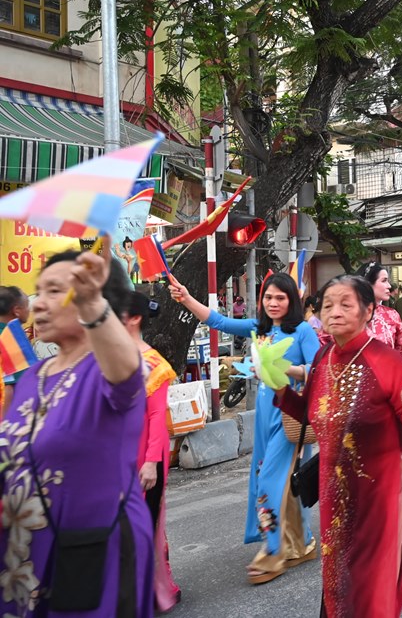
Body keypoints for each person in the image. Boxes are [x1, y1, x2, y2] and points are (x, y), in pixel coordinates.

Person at [0, 245, 154, 616]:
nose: (38, 303)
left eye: (55, 291)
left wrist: (92, 306)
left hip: (93, 553)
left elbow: (127, 371)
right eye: (40, 291)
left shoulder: (109, 370)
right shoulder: (33, 376)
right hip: (25, 555)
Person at [272, 275, 402, 618]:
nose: (334, 312)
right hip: (334, 491)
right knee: (337, 577)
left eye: (346, 304)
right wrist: (280, 389)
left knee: (371, 585)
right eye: (328, 305)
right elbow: (311, 414)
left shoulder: (388, 361)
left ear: (368, 310)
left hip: (380, 494)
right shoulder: (323, 358)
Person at [170, 274, 320, 584]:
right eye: (268, 297)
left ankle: (273, 550)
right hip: (264, 416)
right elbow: (219, 321)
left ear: (291, 300)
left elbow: (318, 370)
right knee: (283, 482)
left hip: (288, 415)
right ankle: (302, 542)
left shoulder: (303, 331)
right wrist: (186, 298)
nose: (273, 303)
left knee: (269, 481)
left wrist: (284, 369)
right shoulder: (259, 328)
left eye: (280, 298)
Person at [121, 291, 181, 612]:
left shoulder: (154, 364)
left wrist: (150, 463)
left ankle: (149, 589)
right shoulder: (109, 358)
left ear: (134, 319)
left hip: (146, 456)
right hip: (117, 457)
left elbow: (158, 417)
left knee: (144, 524)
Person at [357, 262, 402, 361]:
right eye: (384, 281)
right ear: (367, 284)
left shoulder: (391, 315)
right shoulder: (348, 314)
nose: (389, 286)